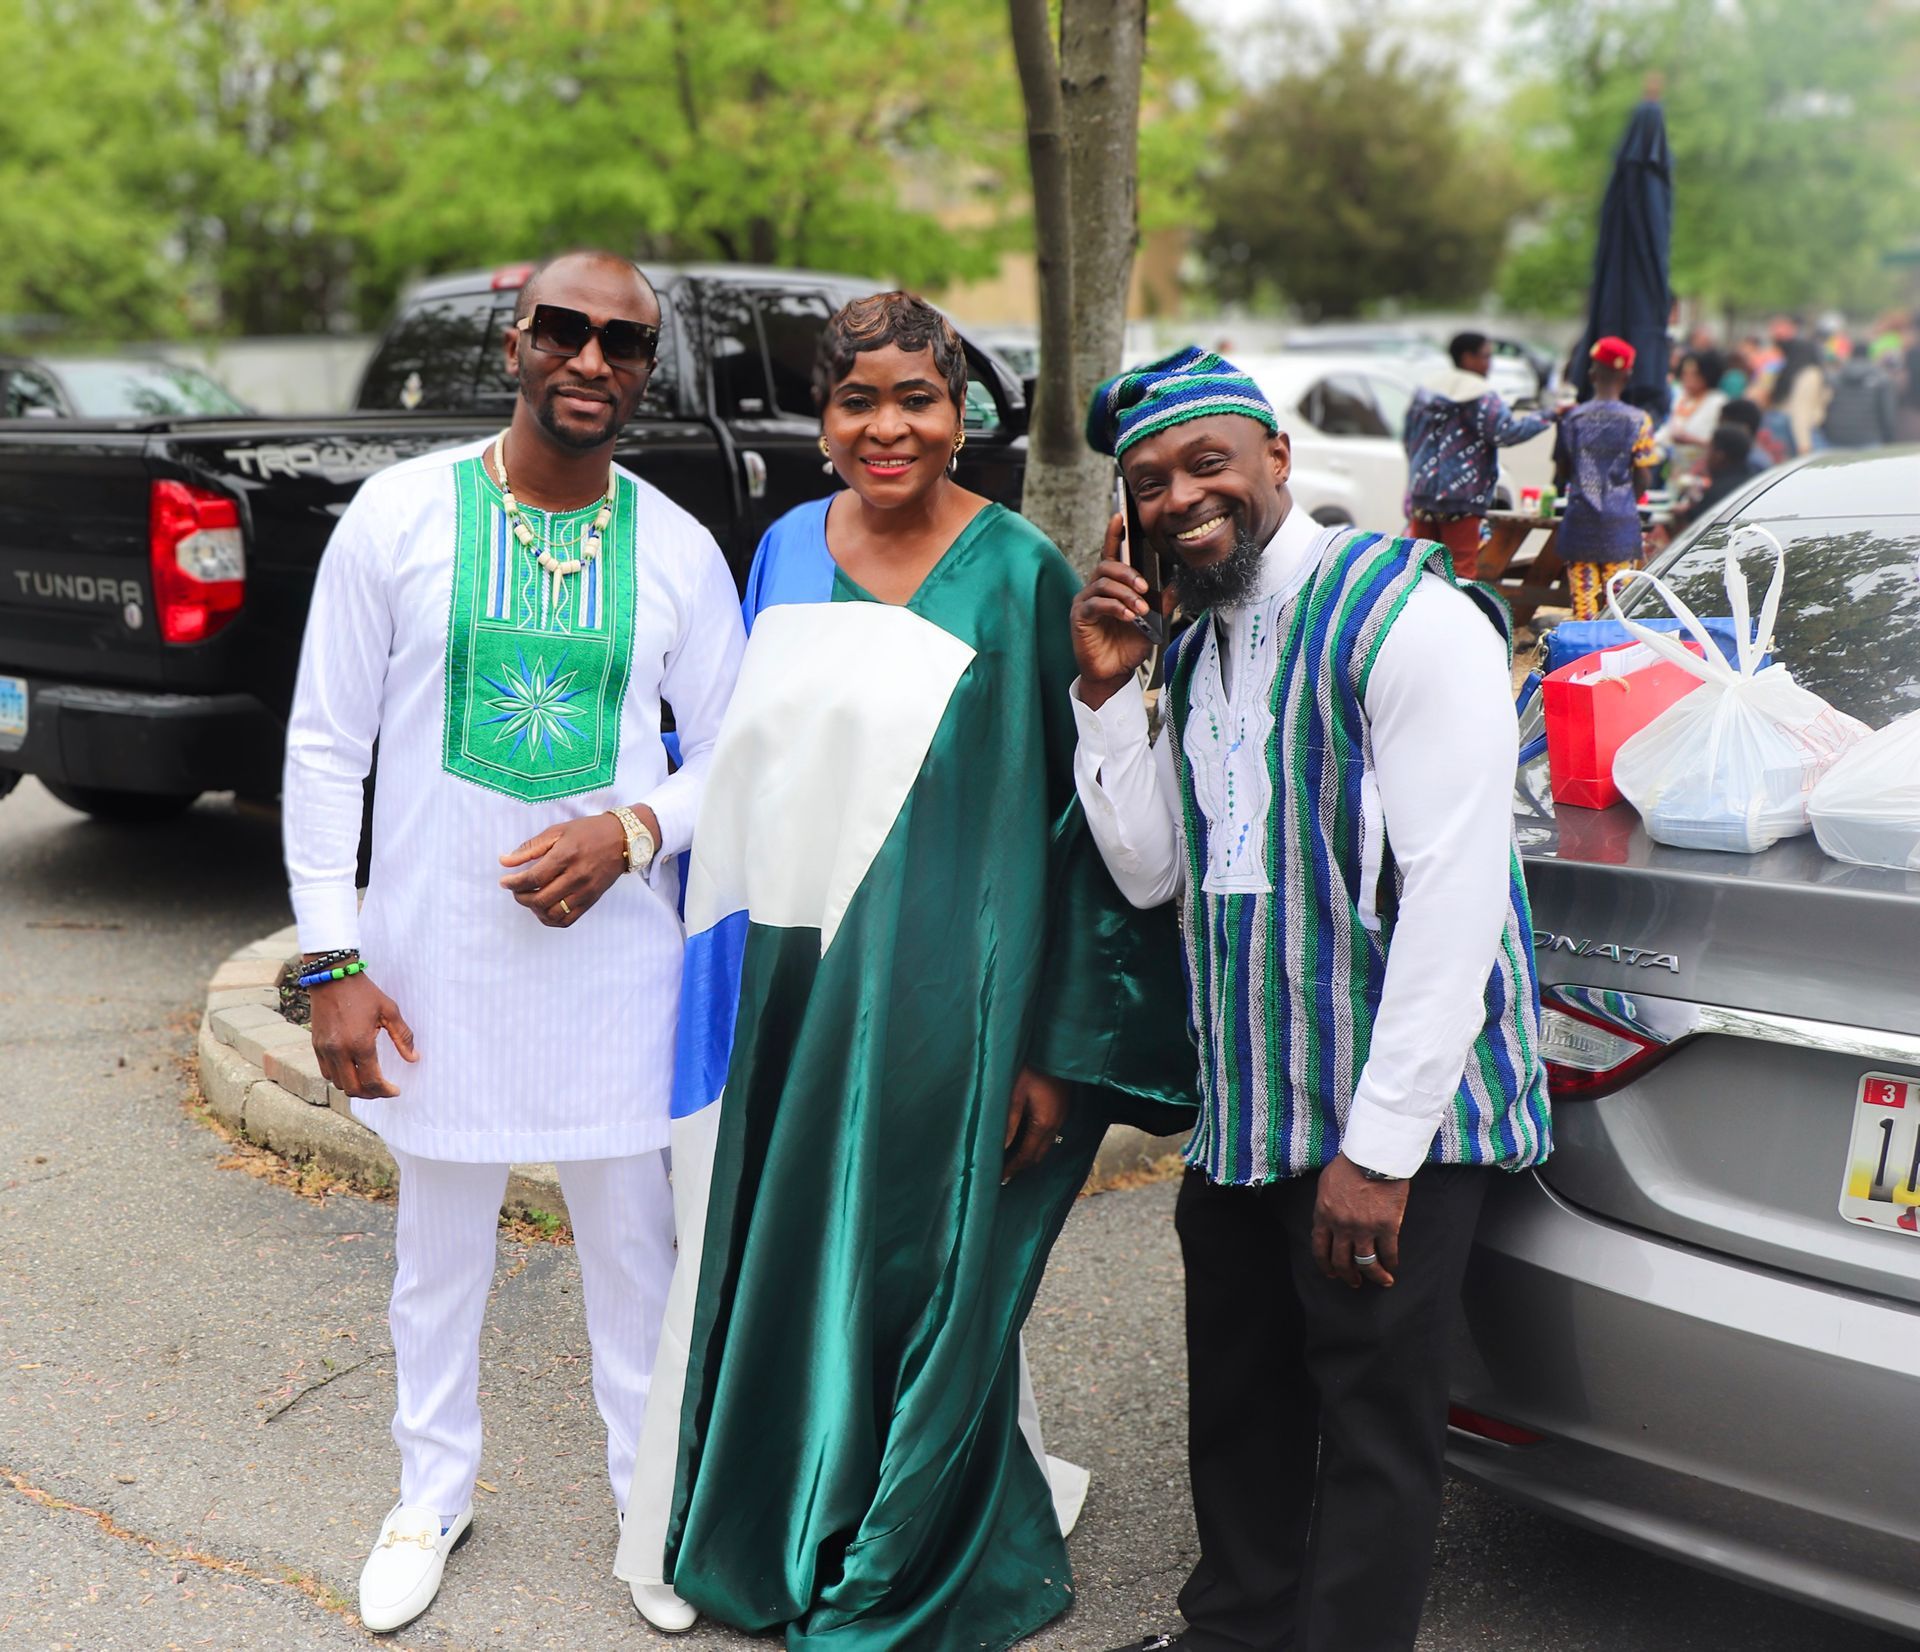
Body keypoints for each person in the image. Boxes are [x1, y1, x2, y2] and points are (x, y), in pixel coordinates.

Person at [614, 293, 1190, 1651]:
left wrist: (1049, 1046)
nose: (888, 427)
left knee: (921, 1270)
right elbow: (744, 781)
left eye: (916, 400)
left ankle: (905, 1544)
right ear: (824, 422)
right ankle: (769, 1517)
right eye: (859, 400)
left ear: (962, 416)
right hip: (795, 993)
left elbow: (1086, 841)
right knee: (793, 1254)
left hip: (958, 1007)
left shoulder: (1020, 575)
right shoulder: (778, 555)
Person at [282, 250, 746, 1634]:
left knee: (635, 1254)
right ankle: (430, 1493)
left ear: (644, 372)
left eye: (623, 343)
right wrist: (331, 961)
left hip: (615, 969)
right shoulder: (398, 516)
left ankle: (647, 1501)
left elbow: (734, 749)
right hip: (431, 962)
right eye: (565, 331)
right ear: (514, 344)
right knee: (439, 1256)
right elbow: (322, 749)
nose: (591, 361)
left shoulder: (674, 544)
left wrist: (635, 834)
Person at [1068, 348, 1550, 1652]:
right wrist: (1110, 696)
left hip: (1384, 1132)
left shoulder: (1408, 618)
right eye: (1151, 481)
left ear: (1277, 459)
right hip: (1249, 1114)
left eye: (1207, 464)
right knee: (1240, 1404)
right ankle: (1232, 1632)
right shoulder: (1201, 645)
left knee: (1375, 1434)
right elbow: (1155, 867)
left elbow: (1459, 899)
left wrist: (1380, 1154)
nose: (1180, 499)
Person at [1401, 330, 1554, 580]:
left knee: (1422, 570)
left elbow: (1408, 437)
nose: (1489, 364)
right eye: (1485, 356)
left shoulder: (1424, 393)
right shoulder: (1479, 395)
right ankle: (1460, 618)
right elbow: (1505, 433)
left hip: (1422, 495)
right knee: (1461, 570)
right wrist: (1548, 415)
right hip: (1461, 497)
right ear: (1467, 358)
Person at [1554, 336, 1659, 621]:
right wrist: (1624, 502)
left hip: (1579, 526)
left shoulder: (1572, 418)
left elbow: (1562, 471)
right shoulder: (1639, 420)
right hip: (1620, 528)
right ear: (1627, 375)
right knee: (1620, 610)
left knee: (1583, 610)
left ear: (1591, 374)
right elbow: (1644, 477)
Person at [1667, 425, 1755, 536]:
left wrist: (1680, 516)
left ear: (1719, 456)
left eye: (1710, 449)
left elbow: (1688, 536)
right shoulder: (1752, 481)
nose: (1706, 456)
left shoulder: (1717, 493)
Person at [1656, 349, 1726, 477]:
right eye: (1684, 373)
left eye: (1694, 374)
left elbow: (1719, 443)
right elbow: (1667, 431)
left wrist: (1691, 440)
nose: (1687, 378)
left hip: (1701, 472)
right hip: (1674, 471)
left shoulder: (1718, 402)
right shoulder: (1681, 397)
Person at [1821, 338, 1899, 448]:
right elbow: (1887, 413)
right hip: (1870, 439)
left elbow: (1825, 408)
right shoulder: (1881, 378)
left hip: (1836, 439)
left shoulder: (1834, 378)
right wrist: (1889, 438)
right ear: (1869, 355)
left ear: (1851, 354)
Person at [1718, 397, 1773, 476]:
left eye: (1724, 425)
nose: (1719, 430)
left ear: (1744, 428)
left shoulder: (1752, 464)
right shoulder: (1740, 457)